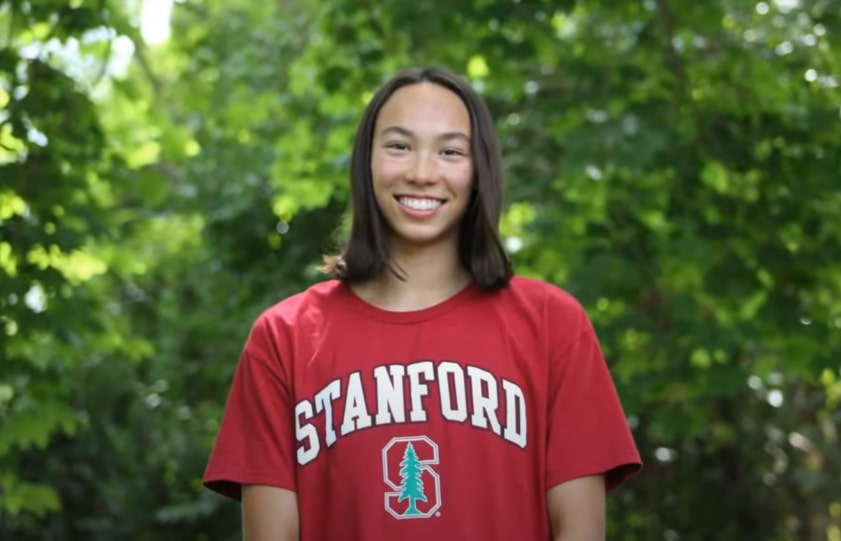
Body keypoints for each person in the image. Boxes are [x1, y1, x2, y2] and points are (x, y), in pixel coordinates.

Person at [203, 65, 642, 541]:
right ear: (366, 163)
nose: (421, 173)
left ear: (479, 172)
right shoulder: (284, 337)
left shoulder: (553, 325)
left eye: (450, 151)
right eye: (398, 146)